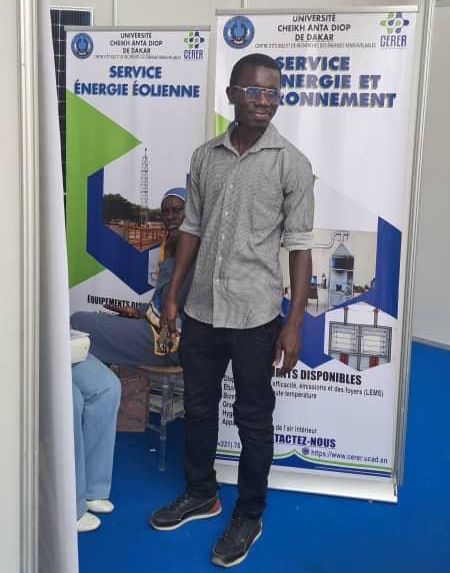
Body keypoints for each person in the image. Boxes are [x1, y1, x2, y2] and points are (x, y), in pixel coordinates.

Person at [149, 54, 315, 568]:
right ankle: (202, 493)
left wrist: (293, 323)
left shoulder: (292, 164)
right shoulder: (205, 157)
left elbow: (300, 248)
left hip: (255, 316)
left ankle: (249, 513)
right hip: (202, 309)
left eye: (273, 92)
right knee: (198, 409)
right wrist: (174, 295)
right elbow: (191, 229)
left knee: (253, 419)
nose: (264, 101)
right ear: (231, 95)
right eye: (254, 91)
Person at [71, 187, 192, 366]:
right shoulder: (171, 247)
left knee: (79, 323)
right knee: (83, 324)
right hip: (155, 328)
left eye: (177, 210)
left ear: (190, 214)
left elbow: (175, 309)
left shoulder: (193, 256)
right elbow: (162, 303)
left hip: (169, 340)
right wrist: (138, 311)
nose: (170, 217)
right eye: (165, 212)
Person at [72, 353, 121, 532]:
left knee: (108, 387)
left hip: (64, 348)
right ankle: (71, 506)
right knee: (71, 400)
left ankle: (92, 490)